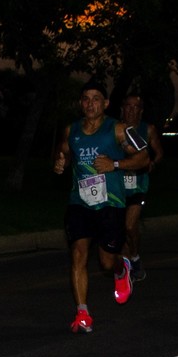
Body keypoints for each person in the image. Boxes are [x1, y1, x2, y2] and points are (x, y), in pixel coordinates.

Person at [53, 82, 150, 332]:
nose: (90, 103)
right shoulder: (71, 130)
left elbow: (144, 157)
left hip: (110, 203)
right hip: (80, 201)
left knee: (106, 263)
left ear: (105, 104)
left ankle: (122, 268)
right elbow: (62, 153)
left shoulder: (119, 129)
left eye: (96, 99)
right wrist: (60, 163)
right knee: (78, 254)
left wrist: (115, 165)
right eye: (85, 99)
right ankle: (82, 314)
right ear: (80, 103)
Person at [118, 90, 163, 281]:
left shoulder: (148, 129)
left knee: (129, 226)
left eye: (136, 107)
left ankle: (135, 258)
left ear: (141, 111)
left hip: (138, 185)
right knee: (120, 229)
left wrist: (152, 162)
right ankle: (127, 265)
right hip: (117, 186)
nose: (132, 110)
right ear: (122, 109)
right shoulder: (115, 129)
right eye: (128, 106)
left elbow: (159, 153)